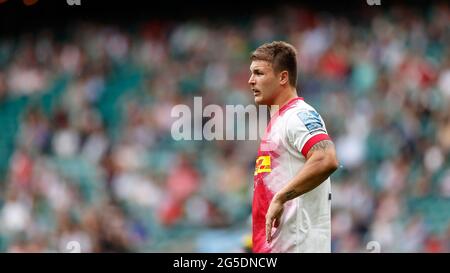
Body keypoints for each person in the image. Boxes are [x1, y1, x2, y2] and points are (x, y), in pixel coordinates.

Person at [248, 41, 339, 253]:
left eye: (259, 73)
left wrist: (282, 196)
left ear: (283, 77)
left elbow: (326, 158)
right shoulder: (278, 122)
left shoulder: (299, 115)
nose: (251, 81)